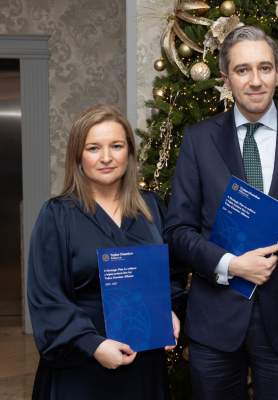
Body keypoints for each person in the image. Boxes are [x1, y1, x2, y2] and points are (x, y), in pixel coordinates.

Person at [165, 26, 278, 400]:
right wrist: (230, 264)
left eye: (264, 68)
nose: (255, 81)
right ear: (226, 78)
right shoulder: (198, 140)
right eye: (243, 70)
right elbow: (178, 229)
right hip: (215, 320)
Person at [28, 104, 181, 400]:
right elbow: (46, 296)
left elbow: (171, 273)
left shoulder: (151, 209)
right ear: (78, 156)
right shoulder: (57, 215)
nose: (107, 157)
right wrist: (94, 345)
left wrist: (170, 310)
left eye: (117, 146)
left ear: (130, 153)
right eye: (94, 148)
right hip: (81, 363)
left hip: (144, 359)